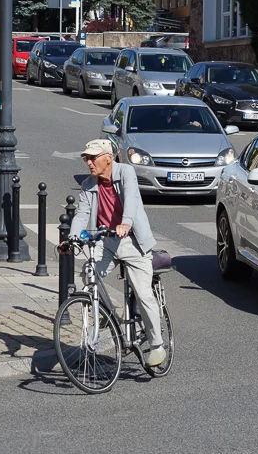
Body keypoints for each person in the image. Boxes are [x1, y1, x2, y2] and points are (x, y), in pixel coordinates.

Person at [68, 139, 166, 367]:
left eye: (93, 158)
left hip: (132, 240)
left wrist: (126, 223)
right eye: (86, 159)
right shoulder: (88, 184)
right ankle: (108, 314)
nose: (89, 163)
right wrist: (72, 238)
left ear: (108, 158)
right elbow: (82, 214)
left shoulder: (126, 172)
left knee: (143, 293)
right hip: (108, 241)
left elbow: (131, 199)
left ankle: (157, 345)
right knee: (89, 273)